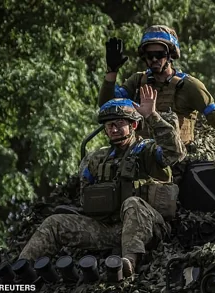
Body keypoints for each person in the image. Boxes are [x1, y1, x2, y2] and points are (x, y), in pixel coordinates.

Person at [18, 85, 186, 277]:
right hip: (109, 229)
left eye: (119, 123)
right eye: (109, 125)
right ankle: (20, 269)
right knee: (54, 223)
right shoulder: (96, 159)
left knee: (132, 203)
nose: (113, 129)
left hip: (148, 227)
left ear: (133, 125)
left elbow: (175, 153)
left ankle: (127, 263)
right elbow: (84, 195)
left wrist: (152, 116)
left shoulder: (147, 151)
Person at [99, 25, 215, 150]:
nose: (154, 59)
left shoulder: (189, 85)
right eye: (150, 55)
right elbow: (107, 106)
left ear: (170, 55)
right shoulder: (138, 81)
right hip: (142, 157)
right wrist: (112, 72)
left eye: (160, 54)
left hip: (177, 157)